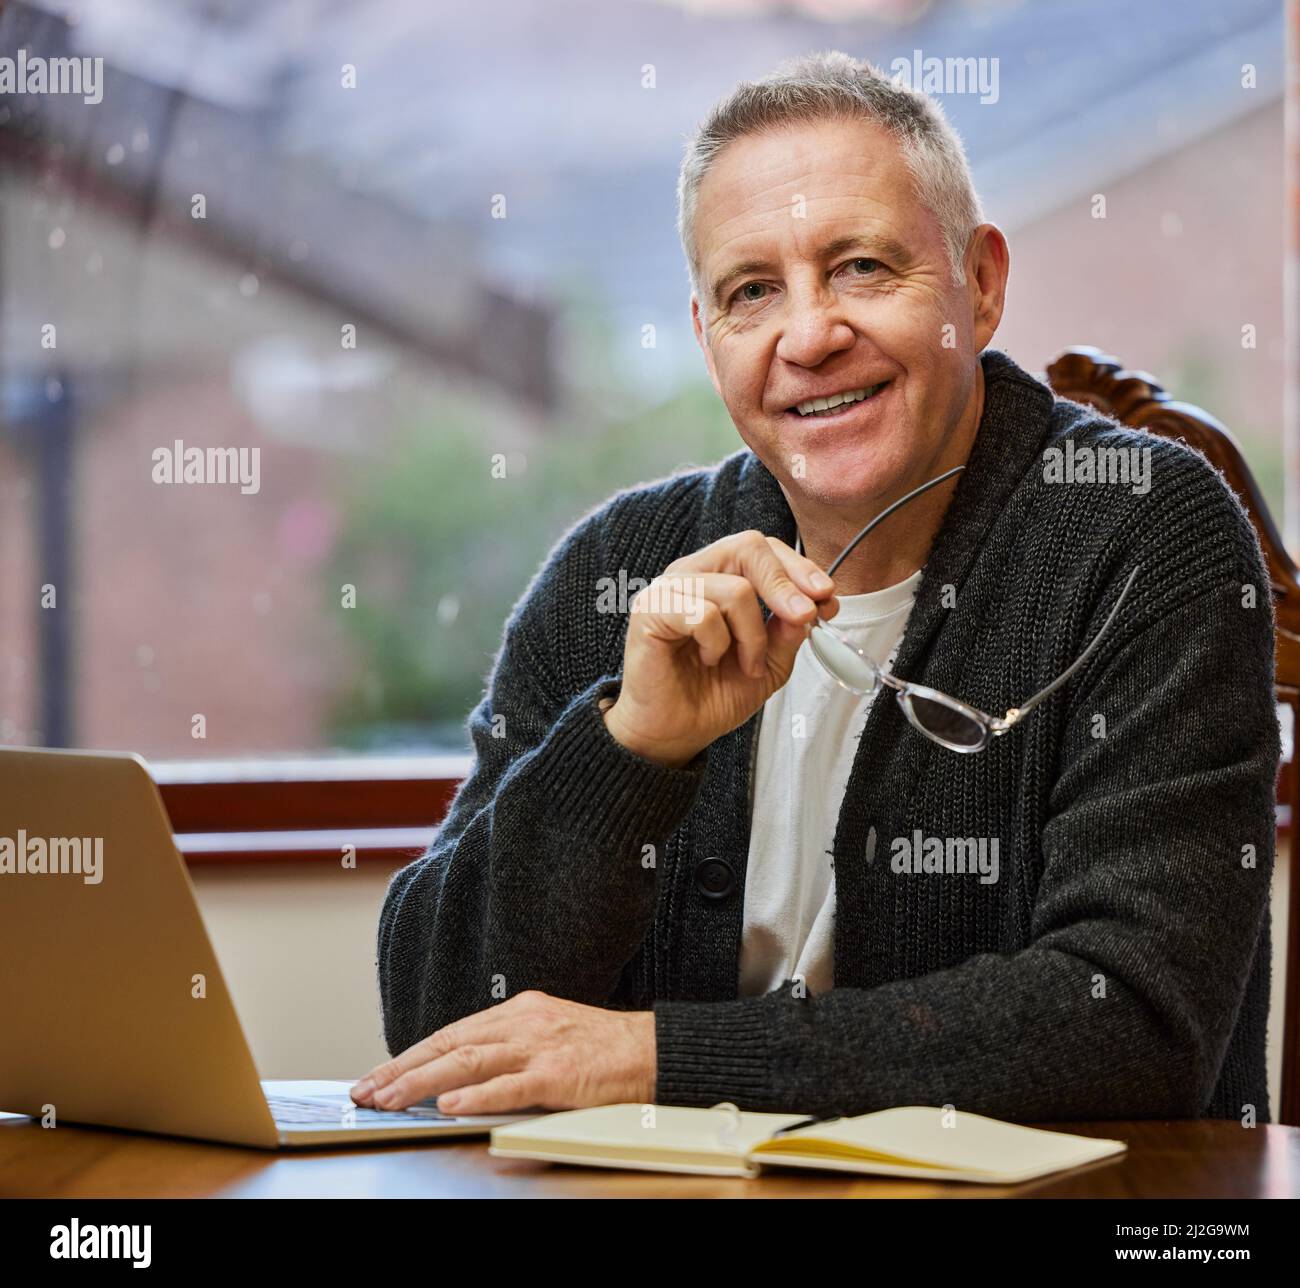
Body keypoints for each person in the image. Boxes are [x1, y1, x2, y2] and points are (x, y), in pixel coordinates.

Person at [351, 51, 1279, 1123]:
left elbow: (1130, 1023)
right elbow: (432, 1023)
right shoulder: (616, 571)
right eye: (752, 293)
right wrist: (626, 750)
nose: (808, 337)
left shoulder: (1145, 535)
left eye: (861, 269)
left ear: (979, 285)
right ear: (708, 341)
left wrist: (660, 1059)